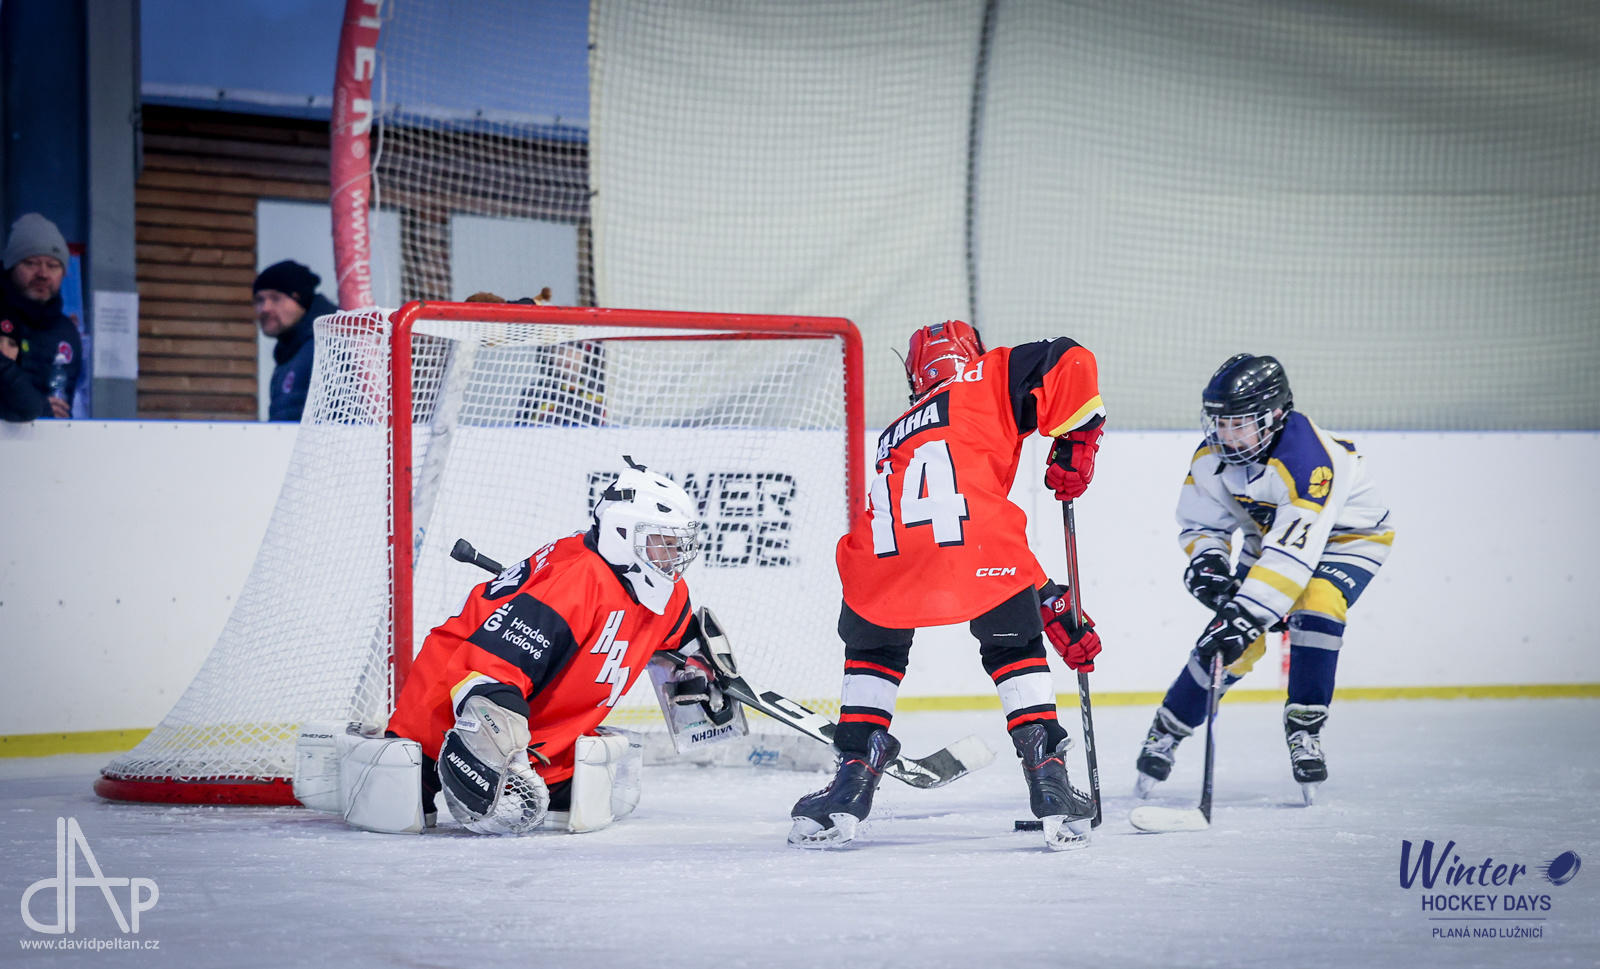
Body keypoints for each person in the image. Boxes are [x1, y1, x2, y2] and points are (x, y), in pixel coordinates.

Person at [789, 320, 1106, 851]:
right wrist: (1078, 439)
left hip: (881, 556)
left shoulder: (895, 431)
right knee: (1013, 646)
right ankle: (1046, 772)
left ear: (916, 374)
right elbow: (1069, 357)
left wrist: (1047, 595)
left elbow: (935, 530)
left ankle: (852, 777)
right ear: (971, 355)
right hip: (982, 548)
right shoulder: (989, 376)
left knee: (875, 650)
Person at [373, 458, 724, 834]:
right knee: (395, 804)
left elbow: (680, 636)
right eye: (661, 542)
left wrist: (701, 669)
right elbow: (490, 677)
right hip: (441, 712)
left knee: (590, 799)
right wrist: (496, 750)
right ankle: (414, 763)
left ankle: (551, 770)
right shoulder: (575, 583)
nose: (673, 555)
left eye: (676, 544)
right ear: (623, 532)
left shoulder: (663, 591)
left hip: (545, 738)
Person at [1134, 354, 1394, 803]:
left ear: (1274, 416)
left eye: (1239, 423)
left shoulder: (1310, 461)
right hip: (1274, 539)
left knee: (1317, 602)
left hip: (1347, 539)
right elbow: (1203, 524)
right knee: (1230, 640)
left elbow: (1296, 558)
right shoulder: (1213, 457)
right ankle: (1169, 728)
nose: (1226, 434)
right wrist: (1208, 562)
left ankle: (1305, 729)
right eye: (1220, 422)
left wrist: (1247, 613)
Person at [1, 213, 81, 419]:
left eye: (53, 265)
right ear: (11, 267)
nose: (43, 274)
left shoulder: (67, 333)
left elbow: (62, 410)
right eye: (31, 263)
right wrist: (38, 407)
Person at [253, 260, 336, 421]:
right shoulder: (288, 352)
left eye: (275, 298)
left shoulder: (329, 343)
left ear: (300, 299)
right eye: (259, 300)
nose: (265, 308)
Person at [0, 316, 47, 422]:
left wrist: (4, 365)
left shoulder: (28, 386)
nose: (4, 351)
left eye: (12, 344)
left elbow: (31, 409)